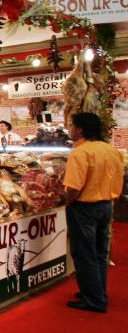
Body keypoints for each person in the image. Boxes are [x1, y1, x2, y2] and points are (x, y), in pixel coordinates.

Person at [63, 112, 124, 313]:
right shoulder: (110, 150)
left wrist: (67, 203)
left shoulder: (80, 153)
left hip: (84, 208)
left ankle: (94, 299)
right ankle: (96, 291)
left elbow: (74, 187)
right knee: (99, 252)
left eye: (72, 126)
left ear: (80, 129)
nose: (70, 129)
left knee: (84, 253)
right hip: (106, 205)